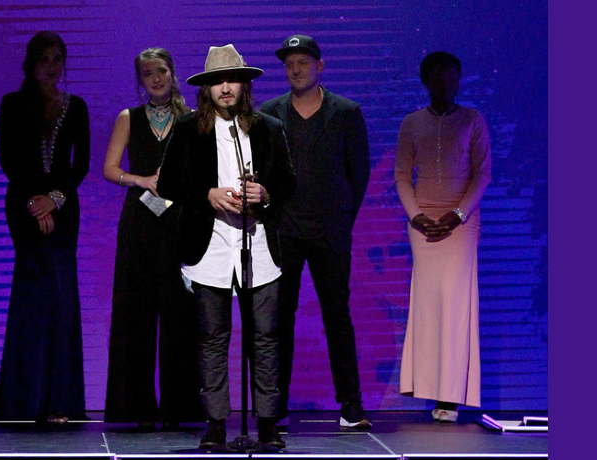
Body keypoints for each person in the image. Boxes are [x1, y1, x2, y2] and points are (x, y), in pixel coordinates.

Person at [157, 44, 296, 449]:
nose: (225, 88)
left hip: (259, 246)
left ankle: (267, 423)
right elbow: (168, 183)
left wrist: (265, 193)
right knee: (213, 337)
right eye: (217, 81)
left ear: (244, 84)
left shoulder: (268, 127)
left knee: (265, 338)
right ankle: (216, 424)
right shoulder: (189, 128)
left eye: (232, 79)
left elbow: (288, 181)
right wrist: (208, 194)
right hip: (211, 246)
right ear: (206, 89)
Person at [260, 35, 371, 429]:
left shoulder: (346, 112)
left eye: (303, 62)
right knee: (278, 320)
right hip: (284, 231)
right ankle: (275, 406)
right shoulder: (269, 114)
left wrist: (340, 218)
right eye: (290, 63)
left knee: (337, 316)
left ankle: (351, 405)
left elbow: (359, 174)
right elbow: (264, 171)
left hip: (329, 232)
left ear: (319, 66)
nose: (296, 69)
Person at [0, 31, 90, 424]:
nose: (51, 66)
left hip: (64, 210)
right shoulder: (12, 104)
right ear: (31, 63)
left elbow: (80, 164)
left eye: (57, 58)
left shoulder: (76, 106)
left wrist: (55, 199)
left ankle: (59, 401)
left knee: (61, 299)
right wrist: (35, 201)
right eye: (44, 58)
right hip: (23, 207)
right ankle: (24, 401)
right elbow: (9, 159)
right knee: (31, 296)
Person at [102, 48, 203, 430]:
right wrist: (141, 179)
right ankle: (137, 409)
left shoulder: (191, 118)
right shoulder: (128, 117)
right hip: (140, 221)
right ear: (140, 81)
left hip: (179, 221)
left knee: (180, 314)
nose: (156, 78)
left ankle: (179, 410)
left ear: (172, 73)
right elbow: (110, 168)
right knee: (136, 312)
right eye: (148, 74)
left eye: (161, 70)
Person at [394, 51, 491, 423]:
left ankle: (449, 397)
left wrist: (458, 214)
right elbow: (402, 175)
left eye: (452, 79)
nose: (445, 86)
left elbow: (482, 173)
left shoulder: (473, 120)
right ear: (426, 82)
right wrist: (416, 216)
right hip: (423, 223)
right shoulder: (411, 123)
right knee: (428, 304)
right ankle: (426, 386)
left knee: (454, 303)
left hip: (460, 226)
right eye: (438, 79)